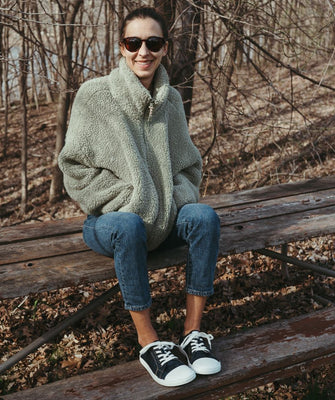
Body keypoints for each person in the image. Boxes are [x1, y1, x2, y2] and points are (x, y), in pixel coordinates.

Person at [58, 6, 221, 387]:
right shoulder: (95, 96)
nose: (142, 51)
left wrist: (170, 199)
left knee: (204, 216)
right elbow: (74, 168)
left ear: (165, 48)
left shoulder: (171, 102)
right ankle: (150, 343)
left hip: (164, 218)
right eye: (133, 42)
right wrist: (129, 198)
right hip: (110, 222)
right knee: (129, 224)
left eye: (153, 42)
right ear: (121, 46)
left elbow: (188, 167)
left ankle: (193, 333)